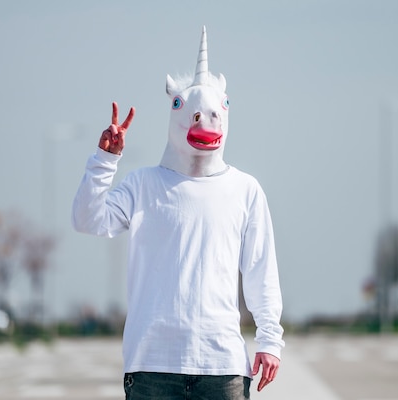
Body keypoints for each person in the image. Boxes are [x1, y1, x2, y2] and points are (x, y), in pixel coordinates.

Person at [72, 27, 284, 399]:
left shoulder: (245, 190)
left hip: (223, 369)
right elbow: (87, 220)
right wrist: (105, 162)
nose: (206, 122)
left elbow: (260, 270)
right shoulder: (143, 185)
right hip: (152, 367)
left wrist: (270, 338)